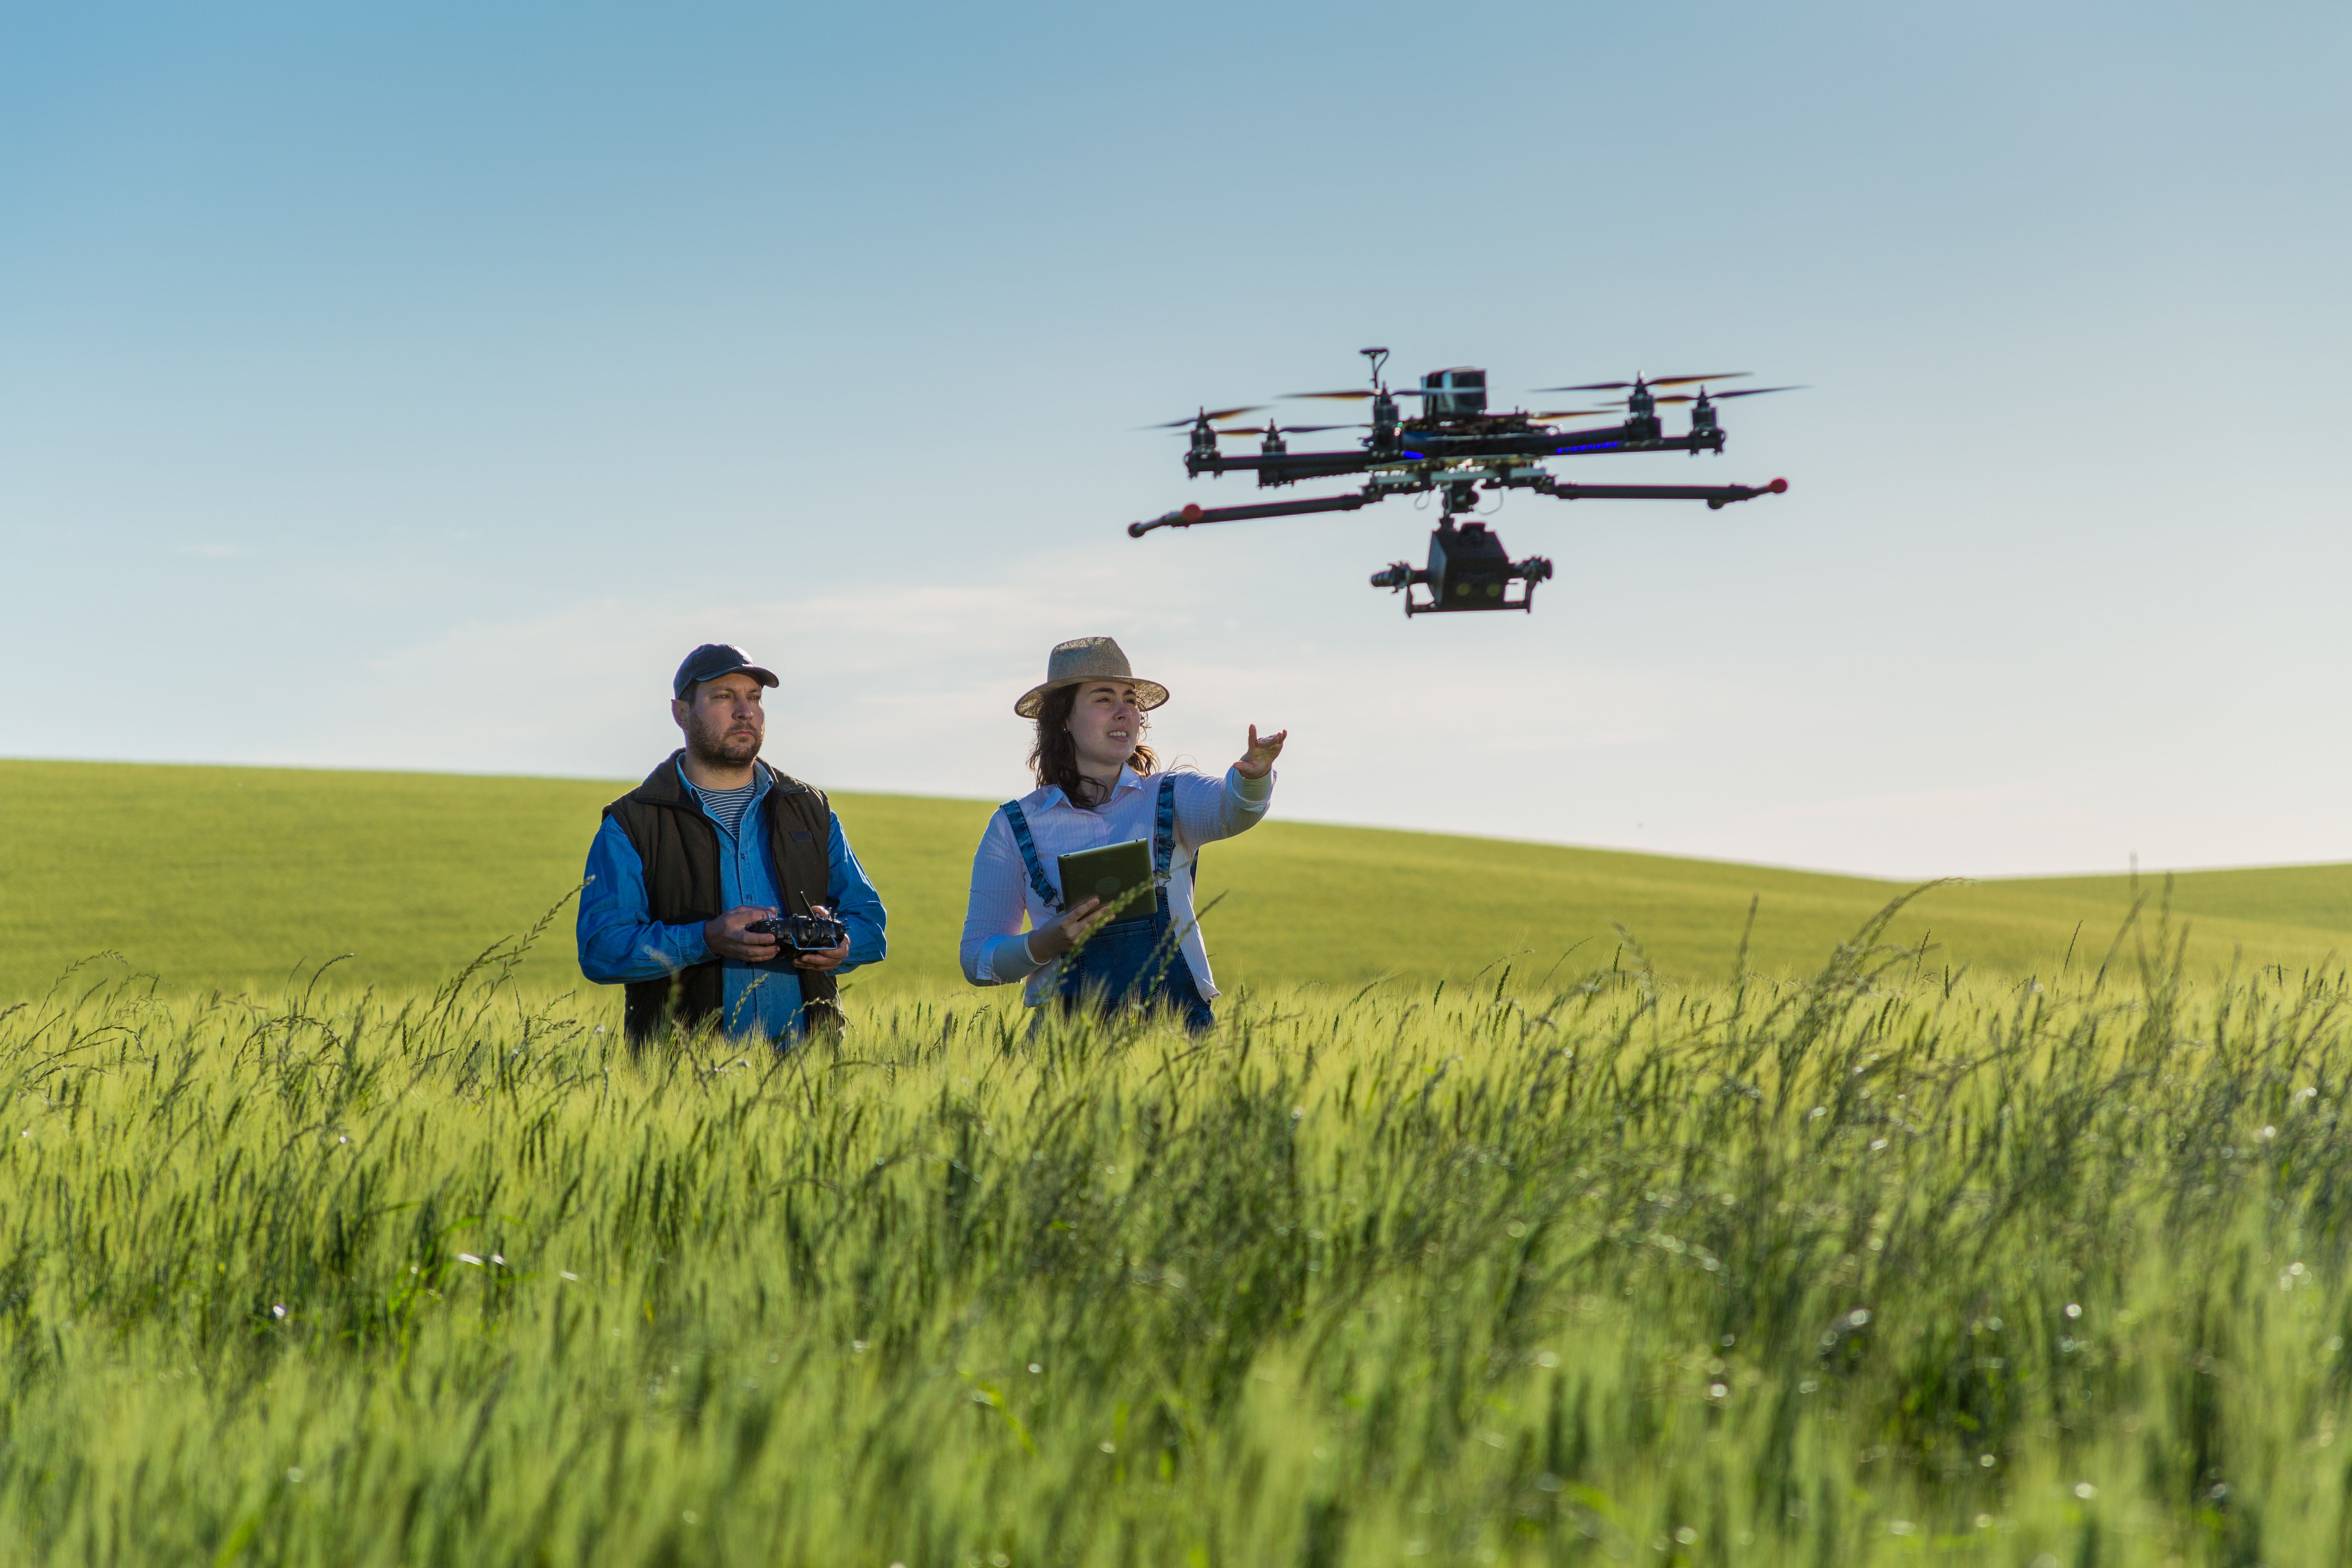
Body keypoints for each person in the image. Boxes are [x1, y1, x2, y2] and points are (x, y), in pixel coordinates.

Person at [958, 635, 1285, 1031]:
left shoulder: (1171, 797)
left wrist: (1254, 779)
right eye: (1104, 699)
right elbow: (977, 960)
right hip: (1064, 1044)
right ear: (1063, 719)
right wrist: (1043, 943)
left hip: (1179, 1038)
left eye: (1130, 700)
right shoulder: (1014, 826)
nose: (1124, 712)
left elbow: (1233, 810)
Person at [577, 643, 886, 1048]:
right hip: (684, 1074)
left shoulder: (811, 810)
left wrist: (841, 943)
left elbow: (870, 924)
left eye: (754, 698)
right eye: (724, 697)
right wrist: (705, 939)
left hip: (811, 1069)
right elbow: (601, 950)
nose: (745, 712)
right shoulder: (632, 824)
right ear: (681, 713)